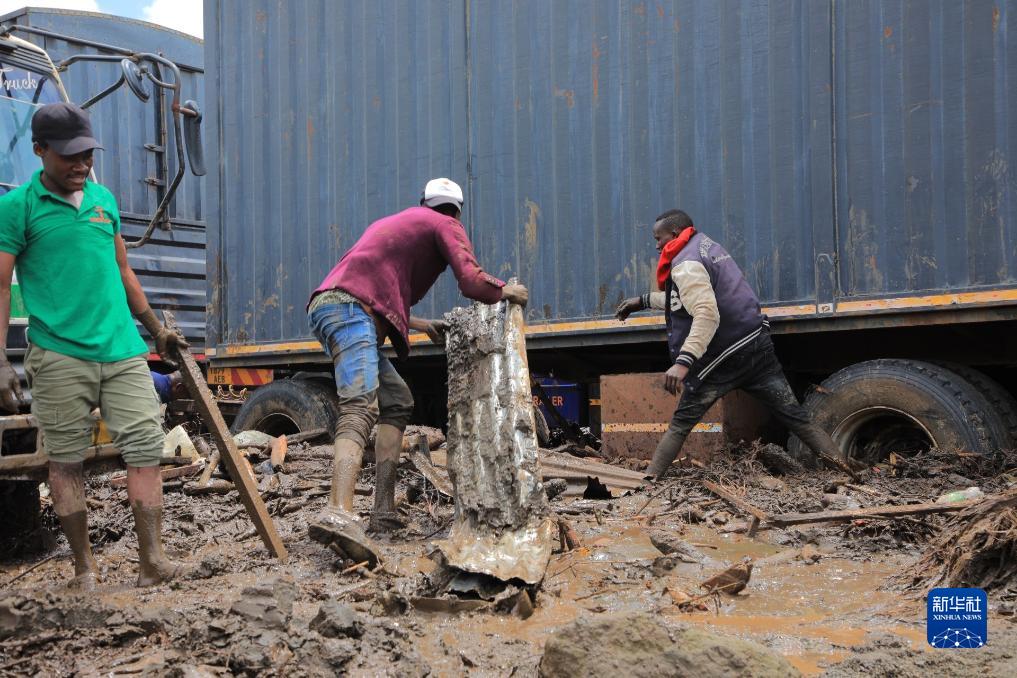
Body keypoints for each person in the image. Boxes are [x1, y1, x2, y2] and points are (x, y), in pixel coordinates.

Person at [0, 102, 189, 589]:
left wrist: (154, 328)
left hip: (122, 350)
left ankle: (153, 561)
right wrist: (0, 359)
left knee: (145, 450)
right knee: (65, 460)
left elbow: (124, 271)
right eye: (69, 156)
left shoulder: (103, 199)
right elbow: (1, 286)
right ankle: (84, 569)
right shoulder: (16, 208)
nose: (81, 164)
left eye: (87, 153)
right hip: (60, 353)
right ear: (39, 151)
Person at [307, 177, 528, 565]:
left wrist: (422, 325)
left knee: (397, 401)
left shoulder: (402, 222)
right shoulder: (445, 224)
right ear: (456, 211)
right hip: (349, 310)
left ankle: (383, 511)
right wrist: (506, 291)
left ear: (423, 201)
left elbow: (376, 289)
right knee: (360, 406)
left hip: (339, 306)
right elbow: (471, 281)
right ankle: (337, 511)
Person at [615, 209, 854, 480]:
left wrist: (683, 363)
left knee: (680, 425)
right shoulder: (706, 246)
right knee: (797, 418)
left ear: (673, 233)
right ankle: (847, 474)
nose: (656, 245)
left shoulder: (685, 263)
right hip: (755, 348)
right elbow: (688, 297)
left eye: (658, 238)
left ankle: (648, 482)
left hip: (719, 361)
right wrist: (643, 301)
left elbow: (706, 311)